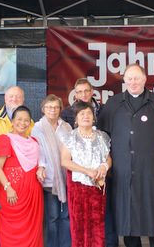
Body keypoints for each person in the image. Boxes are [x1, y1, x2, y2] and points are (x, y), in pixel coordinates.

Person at [97, 64, 154, 247]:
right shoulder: (113, 104)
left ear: (145, 79)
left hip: (151, 172)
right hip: (123, 171)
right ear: (124, 81)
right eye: (129, 79)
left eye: (137, 78)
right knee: (127, 220)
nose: (133, 82)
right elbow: (102, 138)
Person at [60, 101, 112, 247]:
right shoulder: (70, 137)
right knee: (79, 225)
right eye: (81, 113)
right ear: (76, 118)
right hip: (78, 187)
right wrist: (87, 171)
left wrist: (104, 166)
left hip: (97, 187)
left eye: (89, 113)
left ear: (94, 117)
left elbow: (108, 159)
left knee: (97, 224)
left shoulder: (102, 136)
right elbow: (65, 161)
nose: (86, 116)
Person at [0, 106, 43, 247]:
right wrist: (8, 188)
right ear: (12, 121)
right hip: (11, 194)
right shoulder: (3, 139)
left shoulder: (34, 141)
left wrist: (41, 169)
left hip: (33, 194)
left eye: (27, 120)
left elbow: (38, 163)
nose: (23, 123)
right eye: (19, 119)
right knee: (9, 233)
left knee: (32, 231)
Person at [31, 95, 73, 247]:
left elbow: (72, 150)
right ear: (43, 109)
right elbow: (38, 150)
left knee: (66, 217)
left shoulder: (67, 127)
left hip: (66, 177)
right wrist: (40, 166)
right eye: (49, 107)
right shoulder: (37, 128)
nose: (53, 110)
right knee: (53, 217)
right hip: (49, 179)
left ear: (60, 109)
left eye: (56, 107)